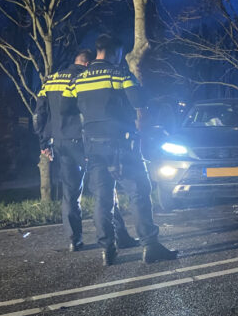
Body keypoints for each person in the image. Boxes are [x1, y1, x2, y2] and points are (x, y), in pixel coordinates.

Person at [62, 35, 177, 266]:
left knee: (103, 199)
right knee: (138, 191)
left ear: (98, 50)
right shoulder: (119, 74)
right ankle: (150, 245)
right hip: (122, 145)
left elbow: (65, 107)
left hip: (93, 147)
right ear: (115, 52)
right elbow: (139, 101)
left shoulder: (79, 79)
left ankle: (107, 250)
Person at [34, 49, 137, 252]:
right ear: (88, 64)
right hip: (84, 141)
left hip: (60, 143)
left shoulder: (51, 80)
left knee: (70, 193)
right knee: (103, 187)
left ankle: (74, 240)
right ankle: (117, 237)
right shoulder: (83, 79)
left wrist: (43, 142)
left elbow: (39, 114)